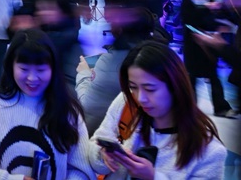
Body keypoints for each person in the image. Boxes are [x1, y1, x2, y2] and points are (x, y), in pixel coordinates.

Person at [0, 28, 93, 179]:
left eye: (41, 70)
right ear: (11, 66)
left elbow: (81, 169)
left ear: (53, 69)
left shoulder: (67, 110)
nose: (32, 78)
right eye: (24, 69)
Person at [89, 41, 226, 179]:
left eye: (150, 89)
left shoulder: (209, 151)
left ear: (175, 86)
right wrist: (103, 155)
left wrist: (153, 177)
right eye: (133, 87)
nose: (140, 98)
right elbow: (96, 143)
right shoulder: (126, 102)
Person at [75, 0, 156, 135]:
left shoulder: (114, 63)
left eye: (107, 7)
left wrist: (83, 74)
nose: (105, 15)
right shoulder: (156, 48)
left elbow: (87, 108)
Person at [180, 0, 236, 117]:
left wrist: (215, 21)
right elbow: (187, 18)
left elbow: (217, 8)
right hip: (195, 37)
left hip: (207, 36)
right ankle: (191, 108)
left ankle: (219, 107)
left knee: (210, 73)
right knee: (194, 75)